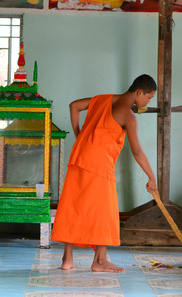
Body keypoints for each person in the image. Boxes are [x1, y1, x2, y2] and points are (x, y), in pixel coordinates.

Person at [51, 74, 158, 273]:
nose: (148, 102)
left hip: (79, 157)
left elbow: (74, 106)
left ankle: (67, 258)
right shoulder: (129, 116)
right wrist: (152, 177)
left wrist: (79, 135)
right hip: (99, 165)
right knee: (105, 211)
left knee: (73, 205)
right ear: (140, 92)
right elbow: (137, 151)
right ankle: (99, 261)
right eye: (149, 97)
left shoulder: (103, 99)